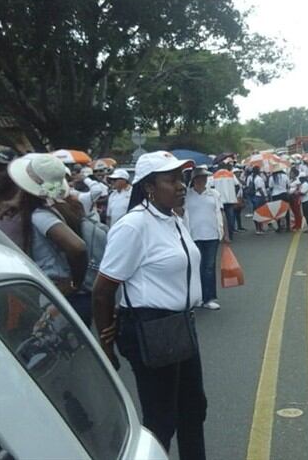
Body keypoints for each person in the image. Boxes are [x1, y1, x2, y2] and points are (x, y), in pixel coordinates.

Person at [92, 151, 207, 458]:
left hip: (180, 324)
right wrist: (106, 343)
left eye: (181, 178)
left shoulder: (174, 219)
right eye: (171, 180)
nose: (180, 186)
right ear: (148, 187)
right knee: (161, 420)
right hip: (151, 327)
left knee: (194, 409)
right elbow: (103, 290)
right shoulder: (134, 226)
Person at [7, 153, 90, 324]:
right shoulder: (57, 208)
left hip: (56, 294)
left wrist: (75, 283)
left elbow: (77, 247)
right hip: (67, 296)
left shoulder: (40, 216)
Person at [185, 166, 230, 311]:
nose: (203, 180)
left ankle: (209, 298)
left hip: (212, 235)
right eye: (200, 178)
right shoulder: (187, 195)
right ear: (194, 180)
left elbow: (221, 213)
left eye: (205, 178)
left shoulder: (214, 194)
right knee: (195, 267)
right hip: (193, 235)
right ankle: (197, 297)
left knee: (209, 267)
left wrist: (226, 233)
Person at [212, 165, 238, 240]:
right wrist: (233, 193)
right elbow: (237, 185)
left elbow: (211, 186)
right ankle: (230, 234)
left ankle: (223, 235)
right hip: (230, 200)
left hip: (219, 200)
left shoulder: (214, 175)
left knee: (220, 218)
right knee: (231, 218)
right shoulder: (231, 174)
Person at [269, 167, 291, 232]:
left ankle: (279, 227)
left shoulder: (271, 177)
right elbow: (288, 185)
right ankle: (288, 226)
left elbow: (270, 187)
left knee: (277, 212)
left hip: (275, 196)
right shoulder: (285, 176)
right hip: (284, 194)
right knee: (286, 211)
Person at [250, 166, 268, 235]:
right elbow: (260, 189)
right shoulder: (258, 179)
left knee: (257, 213)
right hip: (260, 197)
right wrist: (264, 197)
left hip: (256, 197)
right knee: (259, 213)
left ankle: (259, 228)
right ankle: (259, 228)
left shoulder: (254, 178)